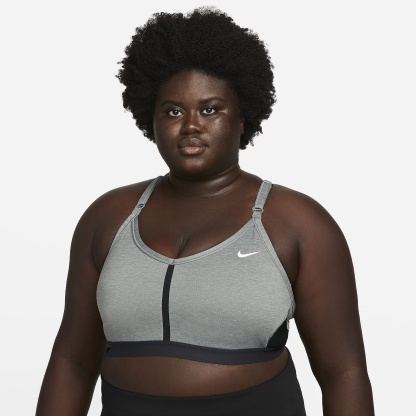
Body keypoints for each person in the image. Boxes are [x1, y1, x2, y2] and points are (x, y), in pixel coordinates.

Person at [36, 7, 374, 416]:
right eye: (173, 111)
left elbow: (343, 373)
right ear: (150, 119)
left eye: (210, 109)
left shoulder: (297, 222)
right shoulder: (107, 217)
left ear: (242, 116)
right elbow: (72, 362)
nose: (191, 125)